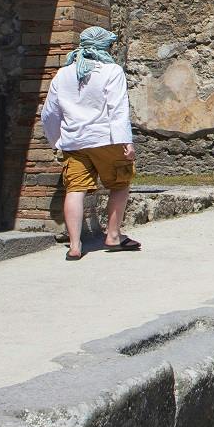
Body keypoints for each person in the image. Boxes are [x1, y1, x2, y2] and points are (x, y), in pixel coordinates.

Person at [40, 25, 140, 261]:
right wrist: (126, 140)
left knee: (75, 189)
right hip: (107, 139)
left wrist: (56, 140)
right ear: (104, 47)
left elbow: (49, 114)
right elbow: (117, 108)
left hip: (74, 142)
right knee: (120, 184)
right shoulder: (111, 71)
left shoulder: (63, 74)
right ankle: (113, 235)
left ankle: (75, 246)